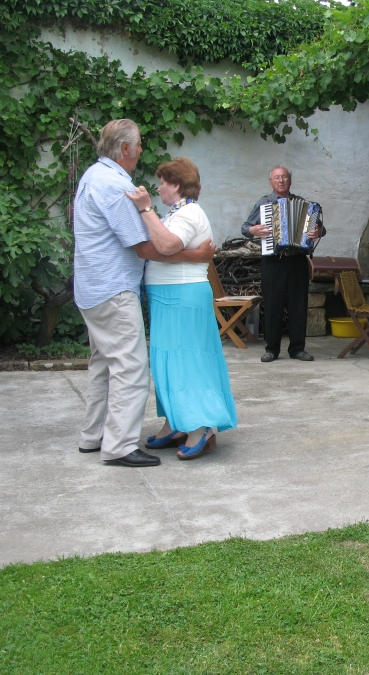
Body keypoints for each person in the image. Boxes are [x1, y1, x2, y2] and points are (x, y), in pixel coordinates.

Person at [73, 119, 215, 468]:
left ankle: (94, 436)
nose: (140, 151)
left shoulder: (93, 175)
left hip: (92, 287)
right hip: (113, 288)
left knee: (104, 364)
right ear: (125, 149)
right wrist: (196, 256)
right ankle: (120, 446)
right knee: (131, 367)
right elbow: (145, 247)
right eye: (138, 146)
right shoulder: (115, 185)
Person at [125, 157, 238, 460]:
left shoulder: (189, 213)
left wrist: (145, 209)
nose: (159, 187)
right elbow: (153, 249)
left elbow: (166, 246)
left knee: (187, 361)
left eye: (163, 182)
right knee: (168, 362)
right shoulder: (175, 213)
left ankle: (200, 426)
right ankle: (176, 421)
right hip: (167, 296)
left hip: (183, 295)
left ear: (176, 185)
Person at [241, 166, 324, 363]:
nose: (281, 181)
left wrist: (317, 232)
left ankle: (297, 349)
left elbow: (320, 228)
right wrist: (254, 230)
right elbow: (245, 228)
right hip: (273, 260)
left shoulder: (304, 204)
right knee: (273, 304)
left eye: (284, 177)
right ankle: (271, 349)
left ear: (290, 181)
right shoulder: (264, 203)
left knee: (298, 305)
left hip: (297, 260)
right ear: (271, 182)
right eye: (277, 178)